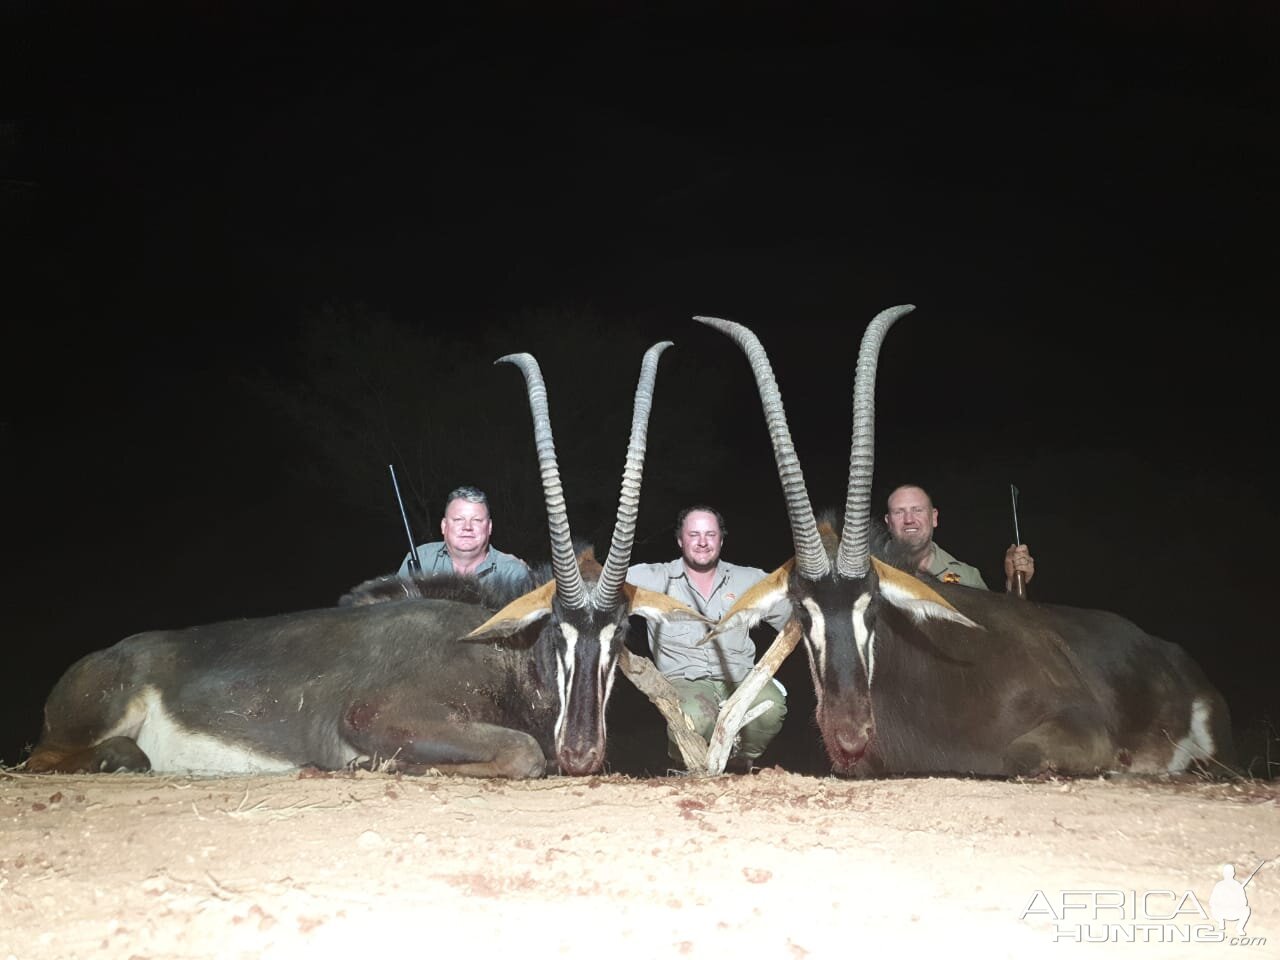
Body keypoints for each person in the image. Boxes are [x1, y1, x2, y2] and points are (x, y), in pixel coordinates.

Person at [626, 505, 790, 772]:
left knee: (771, 706)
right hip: (685, 681)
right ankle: (689, 767)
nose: (702, 542)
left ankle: (740, 761)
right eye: (694, 535)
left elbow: (793, 617)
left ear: (721, 540)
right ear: (680, 540)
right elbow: (599, 585)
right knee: (693, 719)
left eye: (710, 535)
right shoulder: (653, 577)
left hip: (740, 678)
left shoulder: (748, 579)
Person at [883, 483, 1034, 592]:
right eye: (899, 512)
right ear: (888, 522)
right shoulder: (865, 567)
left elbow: (993, 630)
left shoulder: (967, 577)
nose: (909, 519)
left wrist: (1013, 584)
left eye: (917, 510)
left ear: (934, 518)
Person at [398, 485, 535, 597]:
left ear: (489, 527)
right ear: (444, 526)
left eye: (477, 520)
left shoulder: (513, 572)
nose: (467, 527)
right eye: (458, 520)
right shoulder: (420, 558)